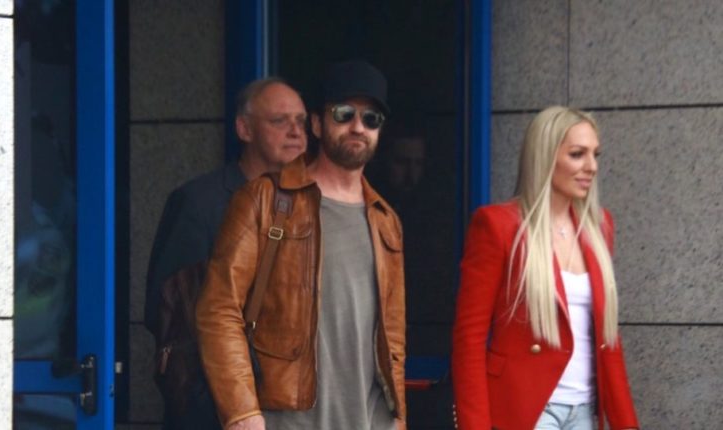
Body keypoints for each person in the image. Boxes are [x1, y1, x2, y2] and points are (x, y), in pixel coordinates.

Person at [196, 60, 407, 430]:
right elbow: (219, 309)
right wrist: (242, 413)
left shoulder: (385, 219)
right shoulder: (263, 199)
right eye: (344, 114)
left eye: (371, 118)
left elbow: (393, 340)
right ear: (317, 124)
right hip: (287, 421)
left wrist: (399, 419)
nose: (358, 126)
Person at [451, 106, 639, 430]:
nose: (592, 166)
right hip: (526, 409)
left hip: (585, 409)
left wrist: (627, 424)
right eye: (577, 154)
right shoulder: (497, 226)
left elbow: (609, 339)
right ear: (545, 156)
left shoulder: (599, 226)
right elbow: (469, 337)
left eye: (595, 155)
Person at [144, 77, 307, 429]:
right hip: (216, 410)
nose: (296, 132)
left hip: (291, 409)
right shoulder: (199, 202)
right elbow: (169, 312)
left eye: (301, 121)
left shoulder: (311, 205)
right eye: (280, 121)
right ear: (244, 128)